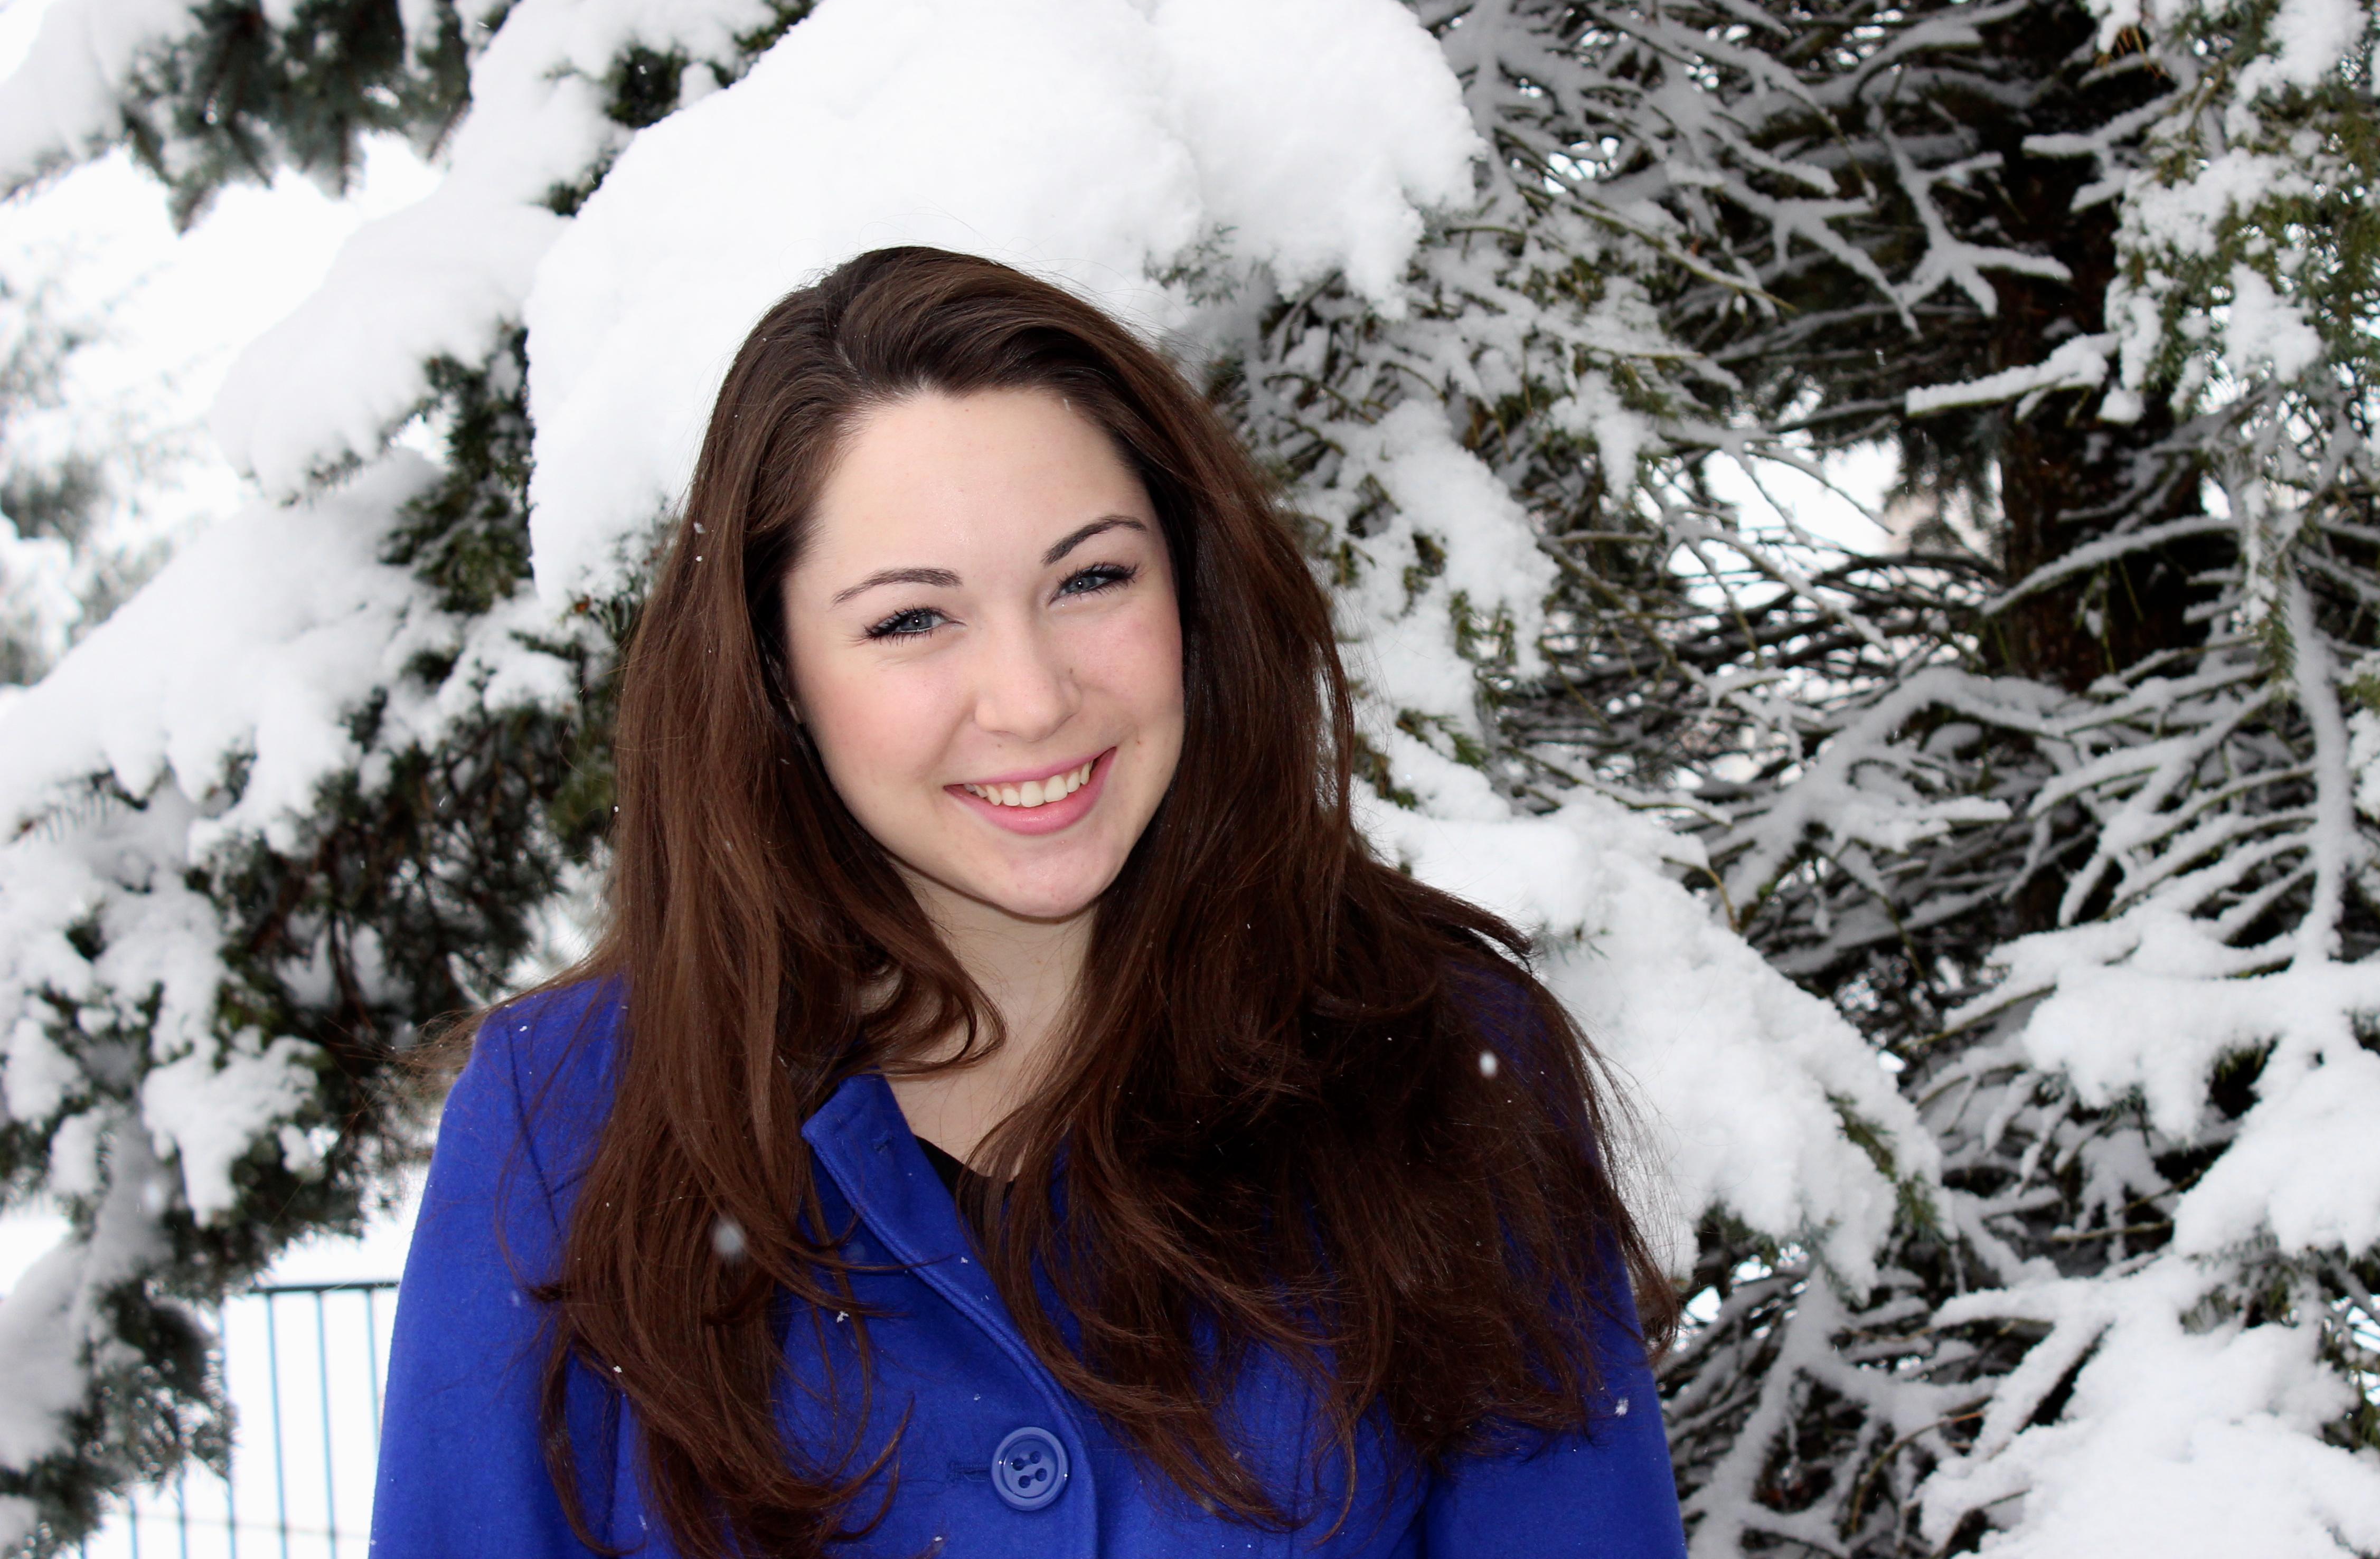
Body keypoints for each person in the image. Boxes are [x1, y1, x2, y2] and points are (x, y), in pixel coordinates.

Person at [370, 248, 1685, 1557]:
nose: (1031, 699)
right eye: (911, 621)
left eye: (1091, 580)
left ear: (1193, 589)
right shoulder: (565, 1119)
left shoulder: (1434, 1060)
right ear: (777, 674)